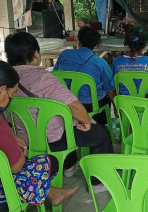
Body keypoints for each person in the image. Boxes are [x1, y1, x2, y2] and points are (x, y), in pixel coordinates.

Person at [4, 32, 113, 193]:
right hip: (54, 139)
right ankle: (98, 183)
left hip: (22, 139)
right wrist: (87, 121)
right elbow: (75, 107)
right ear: (35, 54)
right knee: (99, 133)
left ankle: (69, 166)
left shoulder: (4, 80)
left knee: (65, 124)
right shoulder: (43, 78)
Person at [0, 61, 78, 211]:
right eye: (13, 92)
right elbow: (17, 167)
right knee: (46, 162)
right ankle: (50, 192)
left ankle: (53, 193)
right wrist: (17, 151)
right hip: (4, 191)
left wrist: (11, 137)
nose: (13, 97)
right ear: (2, 89)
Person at [53, 26, 114, 126]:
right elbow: (110, 90)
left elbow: (55, 75)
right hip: (90, 105)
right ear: (95, 44)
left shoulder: (64, 54)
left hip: (66, 102)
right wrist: (116, 109)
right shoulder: (101, 63)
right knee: (106, 97)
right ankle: (102, 126)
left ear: (78, 40)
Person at [112, 27, 148, 100]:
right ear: (146, 44)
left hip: (125, 104)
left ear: (128, 43)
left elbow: (114, 86)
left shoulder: (117, 61)